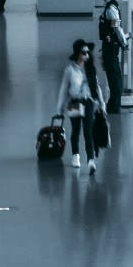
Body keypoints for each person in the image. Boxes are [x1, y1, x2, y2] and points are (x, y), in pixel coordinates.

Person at [55, 38, 106, 173]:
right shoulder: (69, 70)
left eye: (87, 53)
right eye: (83, 52)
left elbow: (97, 87)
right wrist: (59, 109)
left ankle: (90, 160)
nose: (86, 55)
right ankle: (75, 156)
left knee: (88, 131)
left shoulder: (90, 70)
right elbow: (64, 90)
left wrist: (102, 104)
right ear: (77, 53)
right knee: (76, 130)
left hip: (88, 101)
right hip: (74, 101)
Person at [98, 0, 129, 111]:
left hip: (112, 47)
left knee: (114, 74)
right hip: (108, 46)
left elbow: (117, 28)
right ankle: (113, 103)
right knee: (112, 74)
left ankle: (114, 105)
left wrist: (123, 42)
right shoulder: (109, 7)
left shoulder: (111, 9)